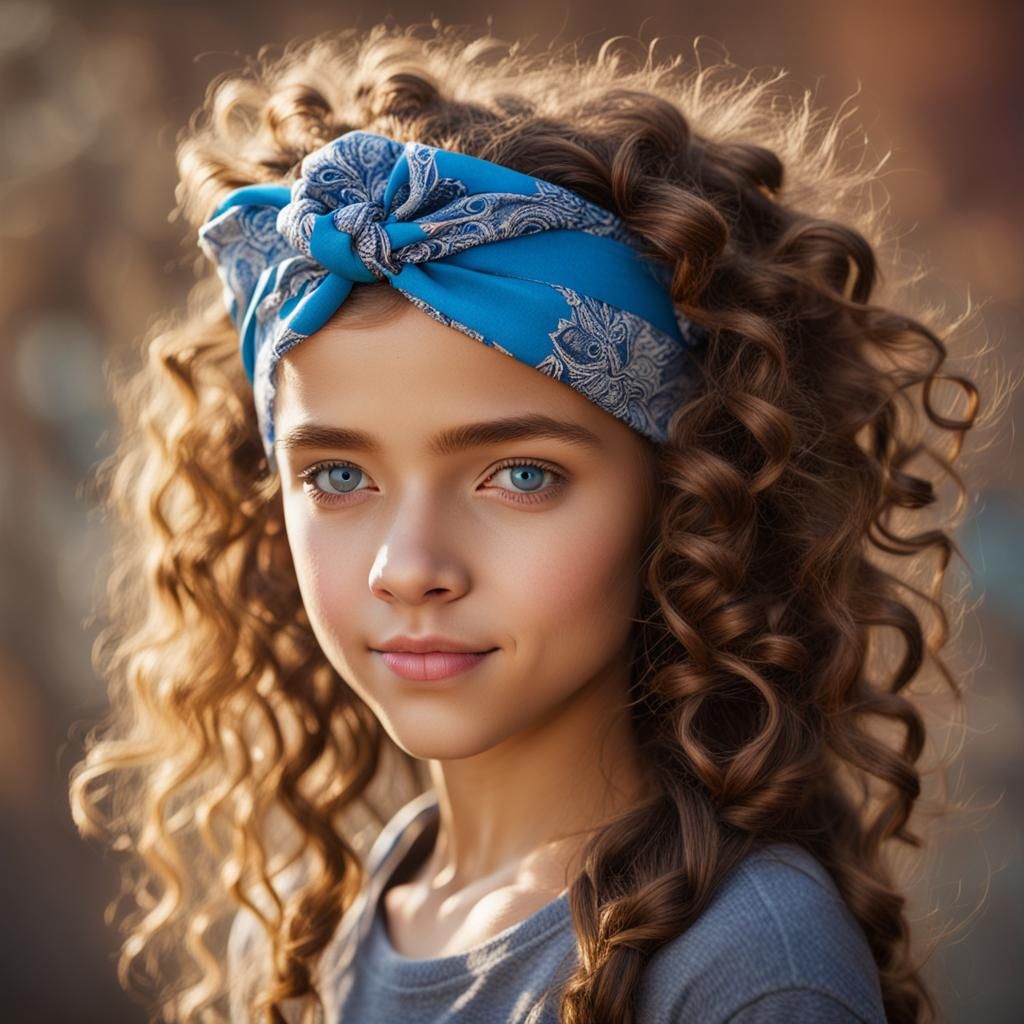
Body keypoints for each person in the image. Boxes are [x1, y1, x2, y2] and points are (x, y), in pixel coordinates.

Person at [68, 20, 986, 1024]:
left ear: (681, 496)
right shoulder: (298, 941)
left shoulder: (746, 967)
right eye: (336, 473)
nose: (408, 567)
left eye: (517, 473)